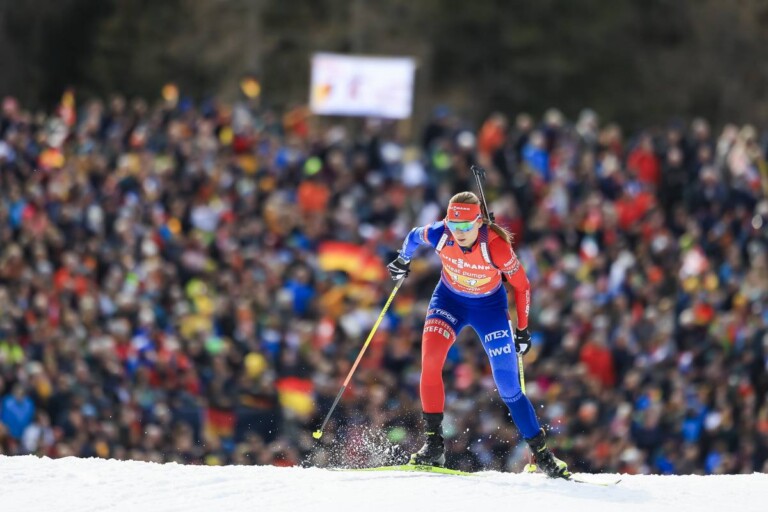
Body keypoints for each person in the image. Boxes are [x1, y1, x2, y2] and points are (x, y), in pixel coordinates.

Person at [387, 191, 570, 478]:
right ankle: (433, 445)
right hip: (449, 301)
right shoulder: (440, 233)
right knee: (430, 362)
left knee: (508, 386)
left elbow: (522, 285)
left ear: (479, 222)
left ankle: (543, 455)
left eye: (465, 226)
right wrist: (403, 260)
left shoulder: (496, 247)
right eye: (453, 225)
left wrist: (523, 329)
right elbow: (413, 236)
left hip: (489, 309)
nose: (458, 232)